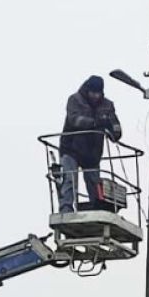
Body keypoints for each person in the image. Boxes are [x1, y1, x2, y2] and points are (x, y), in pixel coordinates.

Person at [57, 75, 123, 213]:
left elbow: (116, 127)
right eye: (93, 93)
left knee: (94, 183)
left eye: (98, 93)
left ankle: (96, 208)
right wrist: (95, 123)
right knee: (69, 179)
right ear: (87, 90)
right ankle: (66, 208)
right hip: (71, 148)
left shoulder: (107, 105)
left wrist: (113, 130)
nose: (95, 96)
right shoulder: (74, 100)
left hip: (92, 153)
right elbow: (74, 119)